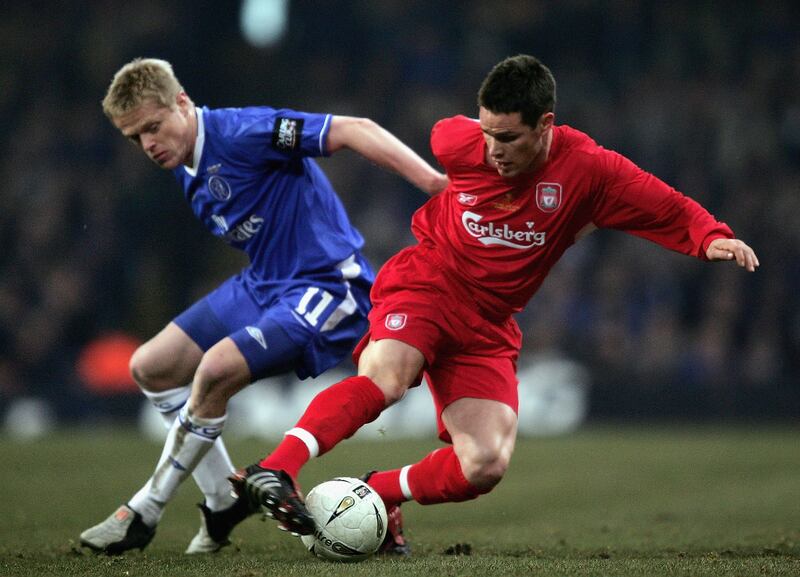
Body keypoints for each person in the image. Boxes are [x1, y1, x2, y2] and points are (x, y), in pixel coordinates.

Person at [230, 54, 760, 554]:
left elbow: (661, 203)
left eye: (507, 138)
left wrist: (709, 236)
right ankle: (278, 467)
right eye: (487, 135)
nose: (493, 149)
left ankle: (381, 493)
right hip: (429, 282)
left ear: (545, 124)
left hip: (488, 324)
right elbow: (441, 138)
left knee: (483, 464)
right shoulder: (456, 141)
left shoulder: (589, 170)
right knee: (389, 378)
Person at [79, 57, 447, 555]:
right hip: (262, 283)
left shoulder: (246, 131)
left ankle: (143, 510)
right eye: (134, 137)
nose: (147, 144)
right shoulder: (185, 165)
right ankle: (220, 502)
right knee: (151, 366)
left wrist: (434, 185)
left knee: (214, 370)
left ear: (182, 104)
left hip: (324, 282)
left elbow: (354, 129)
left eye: (153, 126)